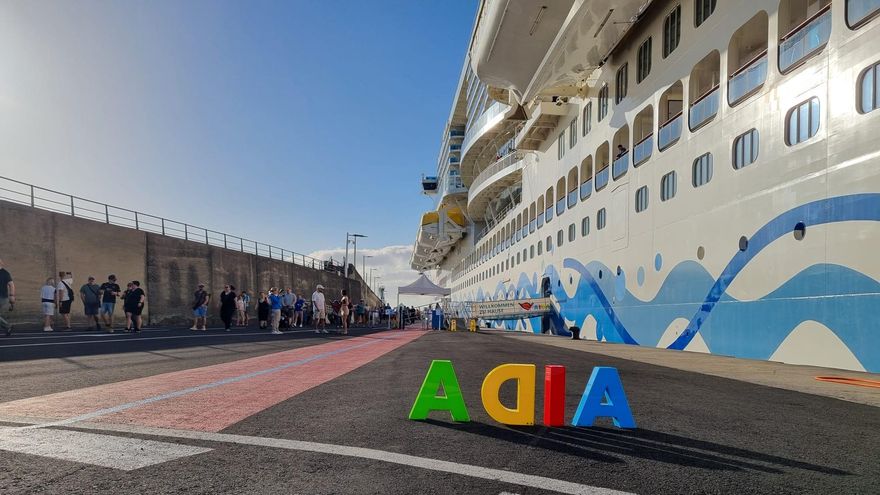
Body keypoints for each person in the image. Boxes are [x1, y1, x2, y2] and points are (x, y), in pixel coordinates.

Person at [0, 259, 15, 336]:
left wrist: (12, 295)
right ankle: (7, 327)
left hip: (2, 297)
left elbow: (11, 285)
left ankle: (7, 326)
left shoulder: (5, 273)